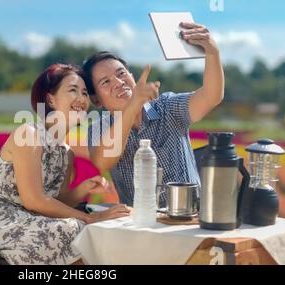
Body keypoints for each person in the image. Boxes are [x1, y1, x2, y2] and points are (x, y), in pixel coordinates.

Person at [0, 64, 130, 265]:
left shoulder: (65, 152)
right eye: (72, 90)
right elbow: (33, 200)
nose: (81, 98)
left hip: (24, 223)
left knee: (82, 230)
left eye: (85, 93)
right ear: (50, 99)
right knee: (72, 228)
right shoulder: (30, 134)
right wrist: (88, 218)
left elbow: (56, 201)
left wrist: (82, 189)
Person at [83, 22, 224, 207]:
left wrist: (213, 53)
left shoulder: (167, 107)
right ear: (97, 100)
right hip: (136, 223)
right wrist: (132, 107)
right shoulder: (99, 128)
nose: (118, 82)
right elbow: (101, 163)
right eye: (105, 82)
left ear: (132, 77)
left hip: (188, 216)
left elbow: (211, 96)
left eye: (121, 74)